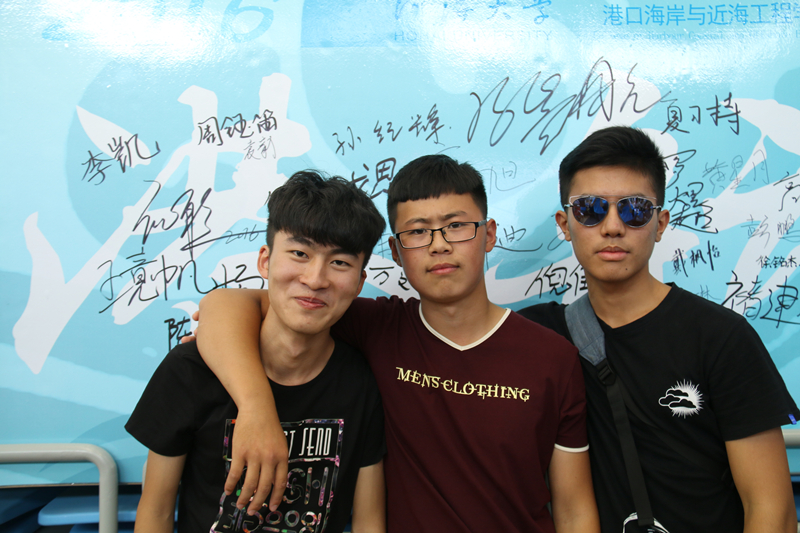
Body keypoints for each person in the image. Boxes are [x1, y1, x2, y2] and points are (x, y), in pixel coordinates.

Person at [192, 155, 600, 532]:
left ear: (488, 234)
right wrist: (256, 409)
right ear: (396, 251)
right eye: (417, 232)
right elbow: (224, 305)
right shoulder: (377, 327)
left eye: (456, 226)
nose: (439, 244)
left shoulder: (552, 357)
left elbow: (574, 509)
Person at [519, 126, 799, 532]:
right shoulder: (539, 336)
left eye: (634, 210)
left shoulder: (721, 338)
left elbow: (771, 509)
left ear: (661, 222)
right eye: (590, 209)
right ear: (565, 224)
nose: (612, 227)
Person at [126, 170, 388, 533]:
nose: (315, 279)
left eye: (340, 263)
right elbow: (155, 512)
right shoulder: (190, 370)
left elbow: (369, 521)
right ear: (265, 260)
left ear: (360, 282)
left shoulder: (360, 382)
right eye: (299, 253)